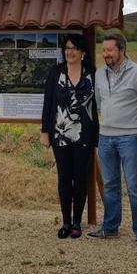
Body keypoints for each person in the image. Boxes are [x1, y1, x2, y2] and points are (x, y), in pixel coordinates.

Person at [88, 33, 137, 245]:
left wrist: (136, 131)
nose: (105, 54)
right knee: (110, 185)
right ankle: (110, 227)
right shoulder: (99, 74)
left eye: (110, 50)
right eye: (104, 50)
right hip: (106, 138)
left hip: (130, 137)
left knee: (134, 186)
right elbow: (99, 104)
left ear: (122, 50)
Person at [40, 34, 99, 239]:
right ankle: (65, 221)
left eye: (74, 48)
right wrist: (45, 132)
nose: (69, 52)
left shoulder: (92, 73)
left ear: (83, 53)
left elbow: (99, 105)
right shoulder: (56, 72)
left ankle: (77, 222)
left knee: (81, 178)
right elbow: (48, 104)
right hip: (60, 133)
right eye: (67, 48)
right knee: (64, 177)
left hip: (85, 133)